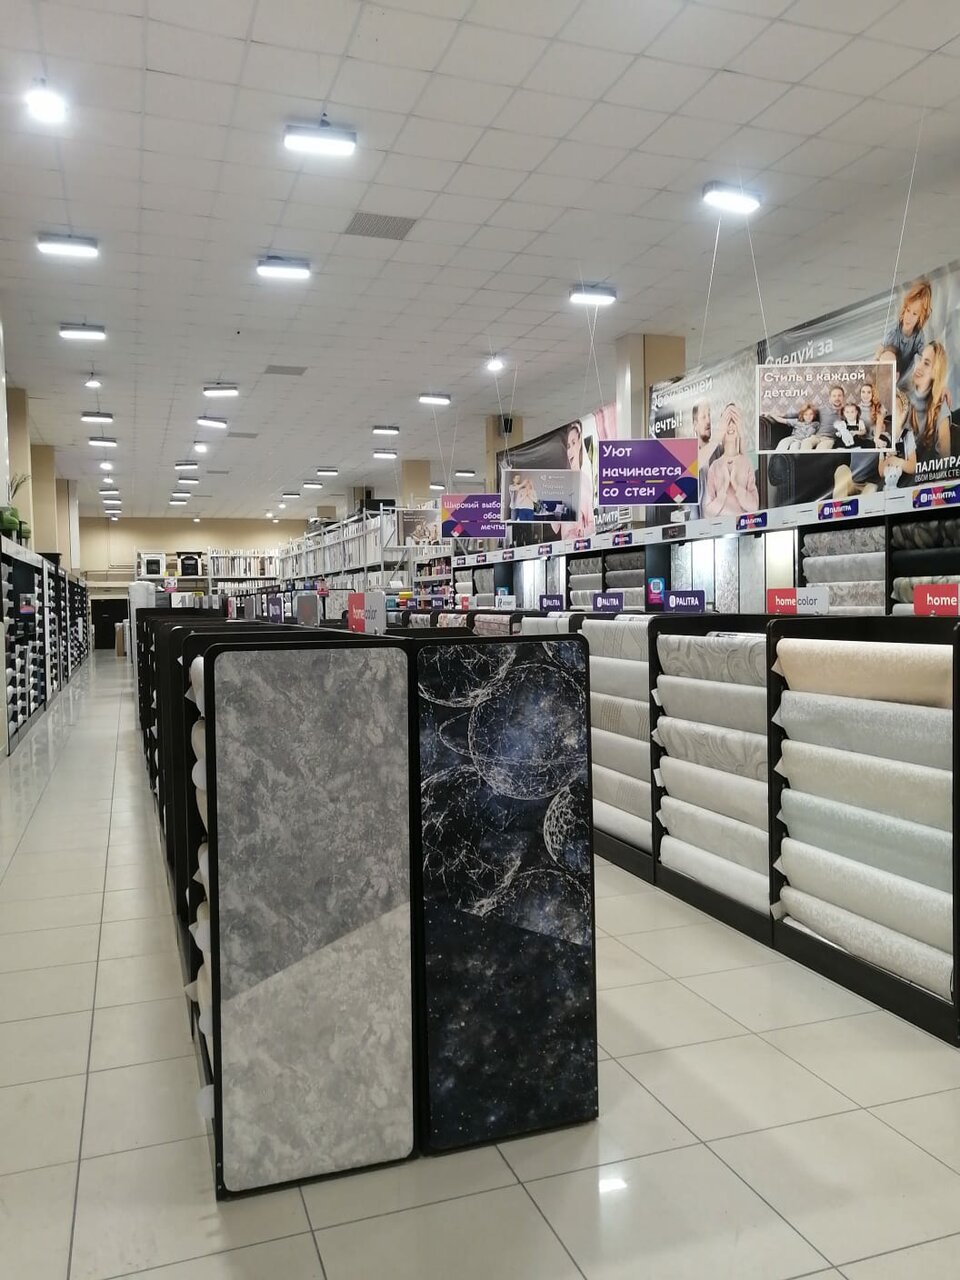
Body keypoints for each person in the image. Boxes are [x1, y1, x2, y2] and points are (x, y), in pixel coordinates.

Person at [880, 341, 951, 485]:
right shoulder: (903, 391)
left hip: (922, 480)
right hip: (895, 474)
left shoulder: (939, 407)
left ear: (936, 371)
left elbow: (945, 459)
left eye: (926, 363)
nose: (919, 366)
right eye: (920, 359)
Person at [703, 403, 759, 516]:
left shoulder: (746, 463)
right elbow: (707, 513)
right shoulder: (714, 466)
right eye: (728, 420)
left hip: (743, 525)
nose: (731, 425)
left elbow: (754, 507)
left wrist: (736, 485)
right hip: (720, 526)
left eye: (734, 420)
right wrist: (723, 491)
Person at [882, 279, 932, 380]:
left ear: (920, 318)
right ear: (904, 310)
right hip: (891, 377)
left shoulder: (919, 337)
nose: (909, 317)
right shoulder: (893, 335)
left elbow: (924, 357)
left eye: (914, 314)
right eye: (908, 311)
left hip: (907, 379)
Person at [692, 400, 715, 509]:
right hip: (697, 517)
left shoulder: (720, 451)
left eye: (709, 415)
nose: (708, 421)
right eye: (704, 417)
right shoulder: (688, 455)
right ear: (695, 425)